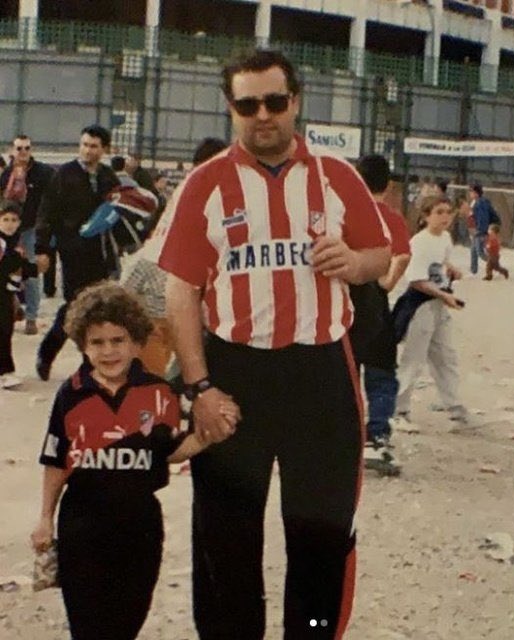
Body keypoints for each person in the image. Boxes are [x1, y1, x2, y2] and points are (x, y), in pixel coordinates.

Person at [159, 49, 390, 639]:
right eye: (247, 104)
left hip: (320, 372)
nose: (263, 116)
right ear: (231, 108)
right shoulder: (205, 184)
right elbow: (181, 291)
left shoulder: (337, 175)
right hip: (235, 373)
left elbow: (381, 256)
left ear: (297, 101)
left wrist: (356, 261)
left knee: (320, 534)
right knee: (226, 538)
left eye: (275, 101)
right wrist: (200, 386)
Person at [30, 282, 235, 640]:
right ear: (82, 345)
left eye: (118, 340)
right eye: (97, 342)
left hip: (139, 525)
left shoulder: (159, 394)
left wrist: (209, 436)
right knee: (88, 624)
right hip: (83, 524)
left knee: (127, 619)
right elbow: (57, 460)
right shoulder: (72, 394)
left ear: (137, 342)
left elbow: (169, 452)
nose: (108, 351)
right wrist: (45, 518)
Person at [34, 125, 120, 381]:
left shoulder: (108, 177)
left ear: (104, 149)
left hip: (101, 253)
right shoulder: (64, 175)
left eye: (93, 146)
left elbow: (120, 210)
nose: (87, 150)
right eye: (84, 144)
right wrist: (42, 249)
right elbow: (46, 213)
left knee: (97, 308)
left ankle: (89, 364)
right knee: (76, 306)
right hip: (73, 250)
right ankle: (51, 353)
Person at [355, 154, 411, 474]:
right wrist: (386, 283)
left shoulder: (348, 214)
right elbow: (402, 255)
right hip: (376, 304)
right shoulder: (391, 218)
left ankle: (342, 436)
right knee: (381, 373)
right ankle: (377, 436)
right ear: (388, 185)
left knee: (345, 373)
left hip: (348, 301)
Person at [394, 196, 468, 426]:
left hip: (439, 302)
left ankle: (455, 406)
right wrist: (444, 295)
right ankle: (399, 409)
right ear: (426, 216)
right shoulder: (419, 242)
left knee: (446, 356)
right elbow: (417, 280)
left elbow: (442, 262)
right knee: (413, 359)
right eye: (439, 212)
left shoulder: (445, 238)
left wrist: (451, 270)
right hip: (421, 304)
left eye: (448, 212)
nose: (445, 217)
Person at [0, 135, 54, 334]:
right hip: (7, 228)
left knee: (30, 272)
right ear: (12, 150)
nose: (23, 152)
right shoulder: (7, 174)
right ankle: (13, 309)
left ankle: (31, 316)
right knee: (6, 270)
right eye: (19, 148)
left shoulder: (42, 173)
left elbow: (50, 198)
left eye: (27, 148)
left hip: (30, 227)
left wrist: (44, 223)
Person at [0, 200, 41, 388]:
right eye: (5, 219)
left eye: (14, 220)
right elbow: (8, 266)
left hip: (6, 292)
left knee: (5, 330)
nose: (9, 224)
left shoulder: (14, 241)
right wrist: (33, 268)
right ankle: (5, 372)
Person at [468, 183, 499, 275]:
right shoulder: (475, 202)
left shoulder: (481, 203)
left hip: (481, 231)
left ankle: (494, 266)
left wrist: (480, 230)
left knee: (480, 252)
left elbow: (483, 218)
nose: (470, 193)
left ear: (476, 193)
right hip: (477, 230)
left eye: (471, 191)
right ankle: (473, 271)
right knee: (473, 251)